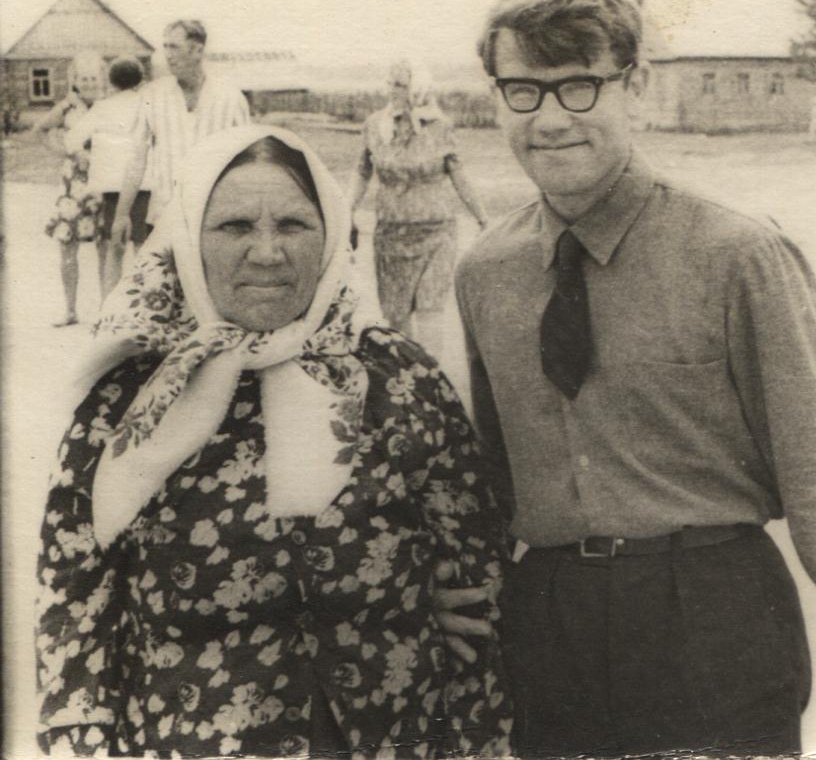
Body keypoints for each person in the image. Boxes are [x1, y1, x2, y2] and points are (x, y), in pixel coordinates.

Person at [450, 0, 816, 758]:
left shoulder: (737, 254)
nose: (551, 119)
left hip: (714, 619)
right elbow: (491, 481)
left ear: (634, 85)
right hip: (552, 631)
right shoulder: (485, 272)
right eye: (523, 92)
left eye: (579, 86)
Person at [36, 125, 509, 757]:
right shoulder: (127, 397)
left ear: (331, 234)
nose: (266, 253)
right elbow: (73, 604)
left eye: (293, 225)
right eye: (234, 226)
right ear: (188, 240)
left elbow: (477, 590)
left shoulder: (400, 378)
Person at [347, 59, 488, 363]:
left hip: (436, 233)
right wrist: (347, 211)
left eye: (400, 85)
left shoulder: (440, 127)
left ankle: (433, 378)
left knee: (430, 309)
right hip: (391, 235)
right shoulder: (375, 126)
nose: (392, 90)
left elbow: (458, 174)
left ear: (417, 88)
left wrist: (482, 218)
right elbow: (362, 171)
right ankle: (407, 380)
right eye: (390, 83)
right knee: (396, 316)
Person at [109, 19, 250, 247]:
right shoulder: (152, 96)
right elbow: (136, 160)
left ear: (197, 50)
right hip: (163, 219)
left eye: (174, 47)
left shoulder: (231, 99)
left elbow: (246, 164)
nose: (168, 55)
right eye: (165, 47)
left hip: (214, 221)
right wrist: (122, 215)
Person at [62, 57, 153, 297]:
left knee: (115, 250)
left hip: (113, 189)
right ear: (140, 80)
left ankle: (110, 306)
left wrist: (90, 157)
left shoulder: (102, 108)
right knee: (143, 247)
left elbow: (71, 141)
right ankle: (147, 303)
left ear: (111, 82)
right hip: (143, 186)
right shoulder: (148, 105)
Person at [38, 86, 101, 326]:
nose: (89, 83)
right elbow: (40, 130)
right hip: (73, 183)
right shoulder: (68, 107)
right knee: (67, 244)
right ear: (76, 80)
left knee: (105, 246)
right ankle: (70, 311)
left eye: (93, 78)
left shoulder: (108, 104)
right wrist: (65, 152)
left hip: (102, 177)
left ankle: (107, 312)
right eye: (84, 78)